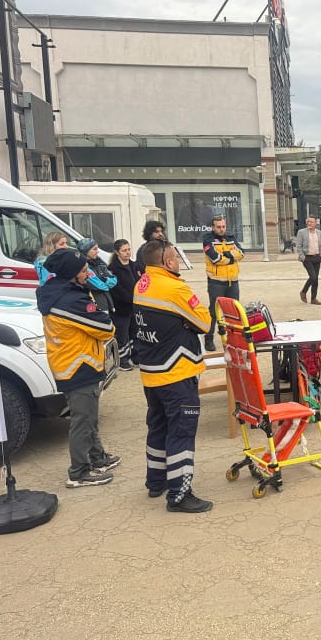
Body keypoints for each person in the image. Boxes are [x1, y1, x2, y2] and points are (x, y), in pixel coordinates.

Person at [133, 240, 214, 513]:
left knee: (158, 427)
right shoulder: (175, 288)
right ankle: (179, 494)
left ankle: (156, 481)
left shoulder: (141, 284)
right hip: (176, 372)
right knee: (181, 432)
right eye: (176, 257)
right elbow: (204, 322)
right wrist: (185, 323)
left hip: (152, 371)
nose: (178, 261)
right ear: (167, 262)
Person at [35, 249, 119, 488]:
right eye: (83, 270)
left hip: (74, 364)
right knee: (83, 420)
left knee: (89, 417)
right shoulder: (70, 300)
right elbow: (106, 328)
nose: (88, 273)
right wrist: (99, 315)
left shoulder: (58, 292)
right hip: (78, 366)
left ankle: (97, 457)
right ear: (71, 273)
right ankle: (79, 472)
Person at [202, 215, 245, 351]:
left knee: (234, 312)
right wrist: (231, 257)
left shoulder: (231, 238)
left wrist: (226, 255)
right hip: (216, 282)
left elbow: (242, 253)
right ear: (213, 227)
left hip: (233, 281)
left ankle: (234, 339)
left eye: (223, 226)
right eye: (218, 227)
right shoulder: (207, 239)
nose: (221, 229)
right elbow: (214, 258)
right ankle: (209, 339)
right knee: (213, 312)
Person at [107, 239, 139, 371]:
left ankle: (135, 357)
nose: (127, 253)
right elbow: (116, 288)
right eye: (124, 250)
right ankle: (122, 360)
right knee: (122, 335)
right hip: (121, 307)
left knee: (135, 333)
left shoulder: (134, 265)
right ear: (117, 252)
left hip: (134, 306)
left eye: (128, 249)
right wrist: (129, 298)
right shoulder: (112, 269)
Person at [76, 237, 117, 316]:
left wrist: (105, 280)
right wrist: (106, 282)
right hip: (95, 304)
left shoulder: (100, 263)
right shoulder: (83, 267)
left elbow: (114, 280)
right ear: (86, 251)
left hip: (107, 303)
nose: (97, 251)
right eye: (94, 249)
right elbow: (98, 285)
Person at [296, 216, 321, 305]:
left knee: (316, 279)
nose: (309, 223)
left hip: (317, 257)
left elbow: (320, 245)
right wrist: (302, 257)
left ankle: (313, 299)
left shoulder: (319, 232)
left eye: (311, 222)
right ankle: (303, 291)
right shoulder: (301, 232)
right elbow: (298, 246)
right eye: (308, 221)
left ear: (315, 223)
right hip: (307, 258)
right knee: (313, 277)